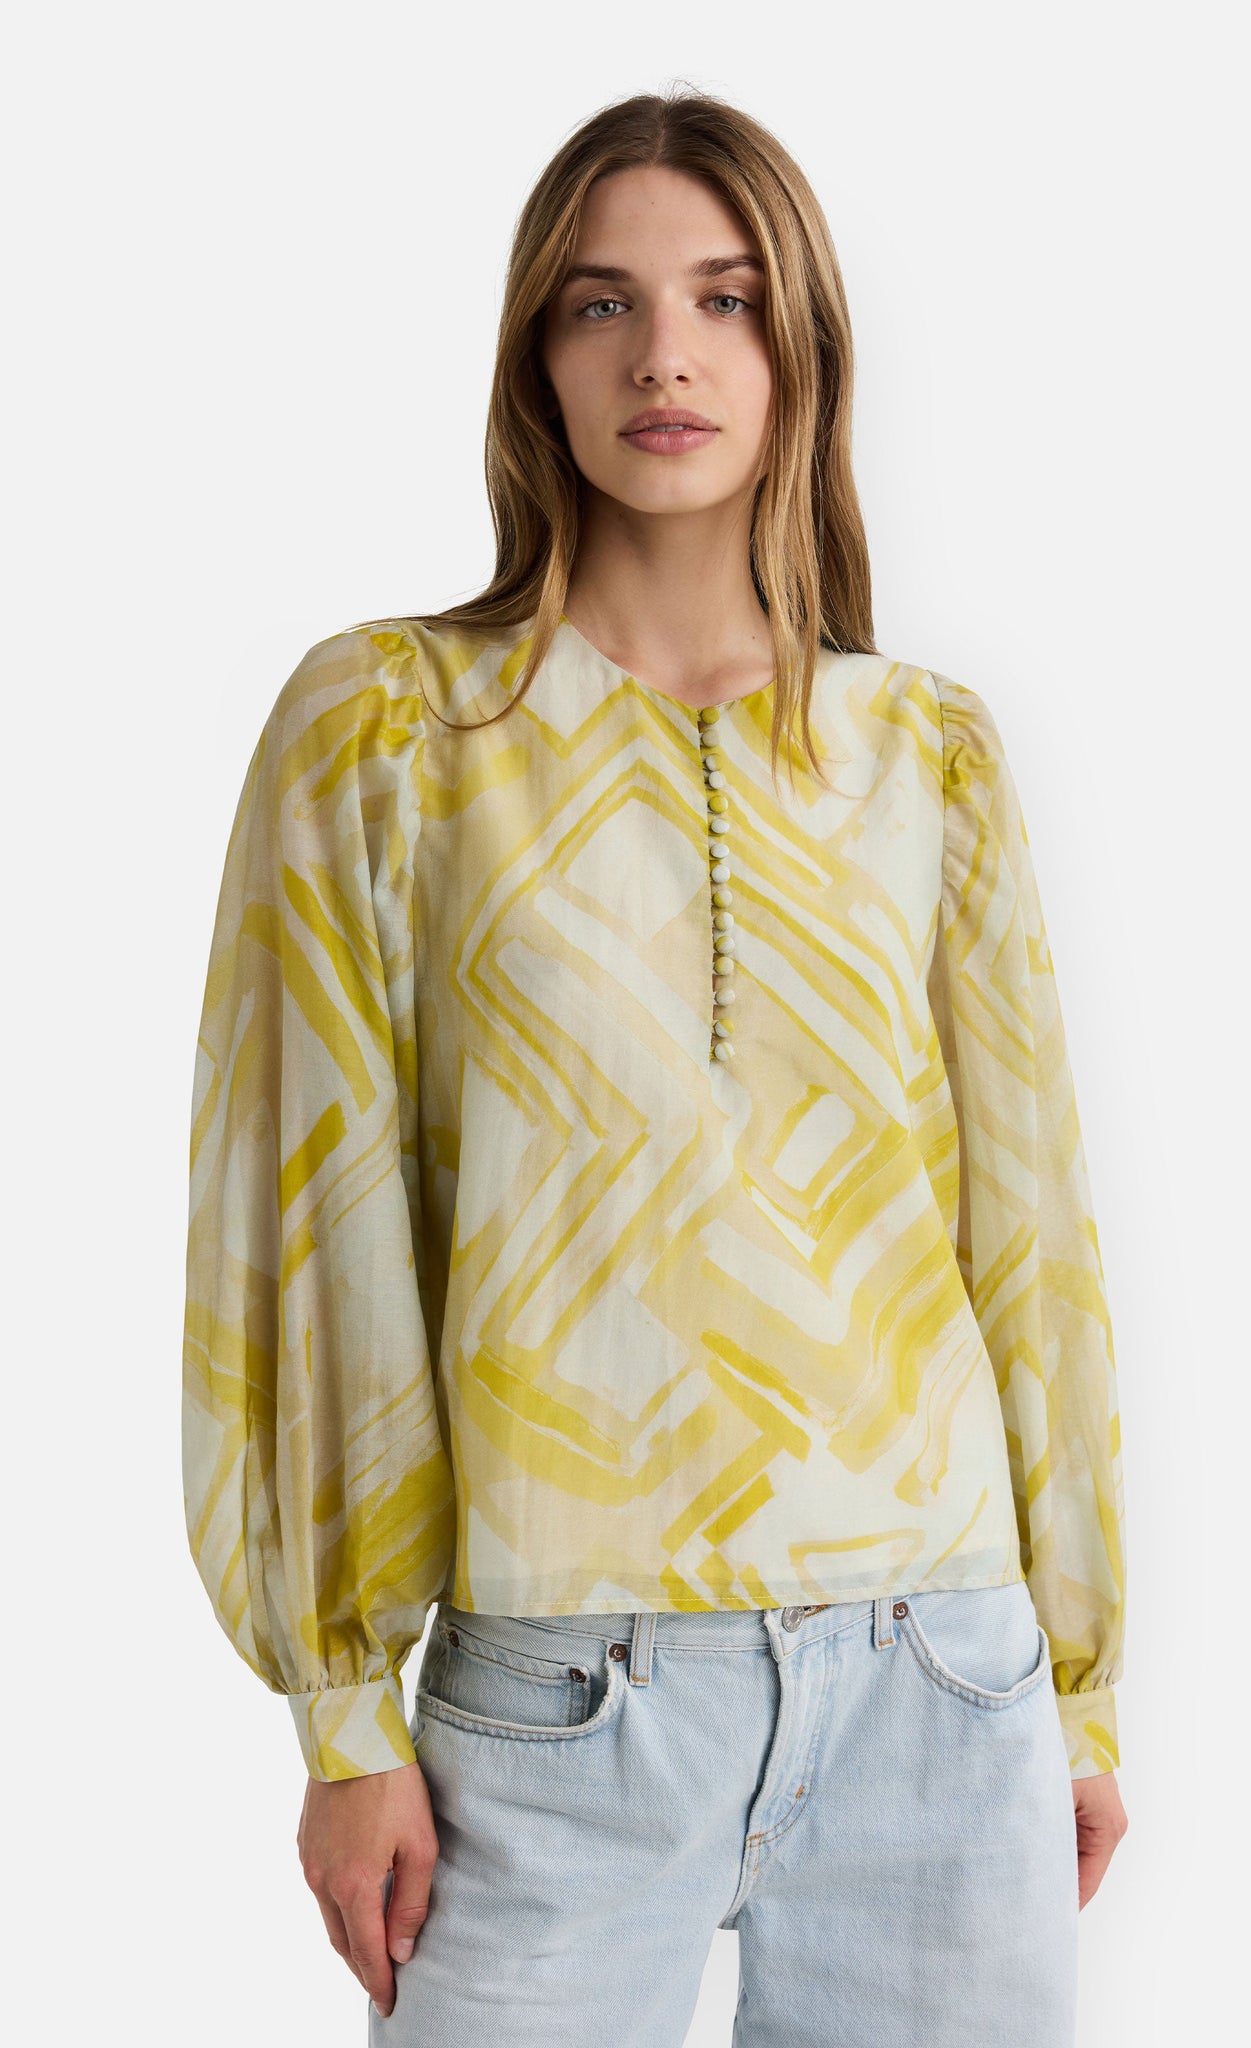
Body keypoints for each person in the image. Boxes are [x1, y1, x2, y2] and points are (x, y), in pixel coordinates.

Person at [182, 86, 1128, 2048]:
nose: (665, 356)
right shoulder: (391, 734)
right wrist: (345, 1712)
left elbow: (1025, 1236)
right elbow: (312, 1231)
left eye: (725, 296)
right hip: (557, 1699)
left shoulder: (928, 755)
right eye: (600, 302)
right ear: (535, 356)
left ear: (802, 348)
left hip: (942, 1679)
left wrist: (1080, 1686)